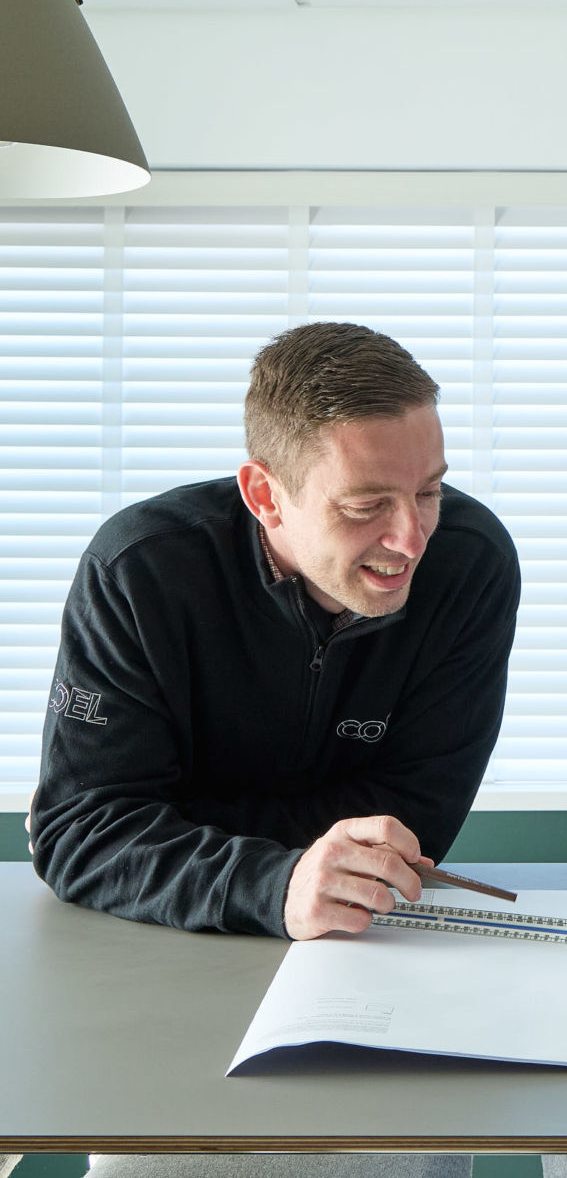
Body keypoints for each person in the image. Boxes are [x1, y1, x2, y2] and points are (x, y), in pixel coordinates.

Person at [29, 321, 520, 1178]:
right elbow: (78, 832)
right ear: (265, 493)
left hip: (370, 960)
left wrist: (177, 822)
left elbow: (414, 821)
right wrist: (277, 877)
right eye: (367, 506)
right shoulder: (140, 570)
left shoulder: (472, 566)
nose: (412, 539)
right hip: (151, 961)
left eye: (431, 492)